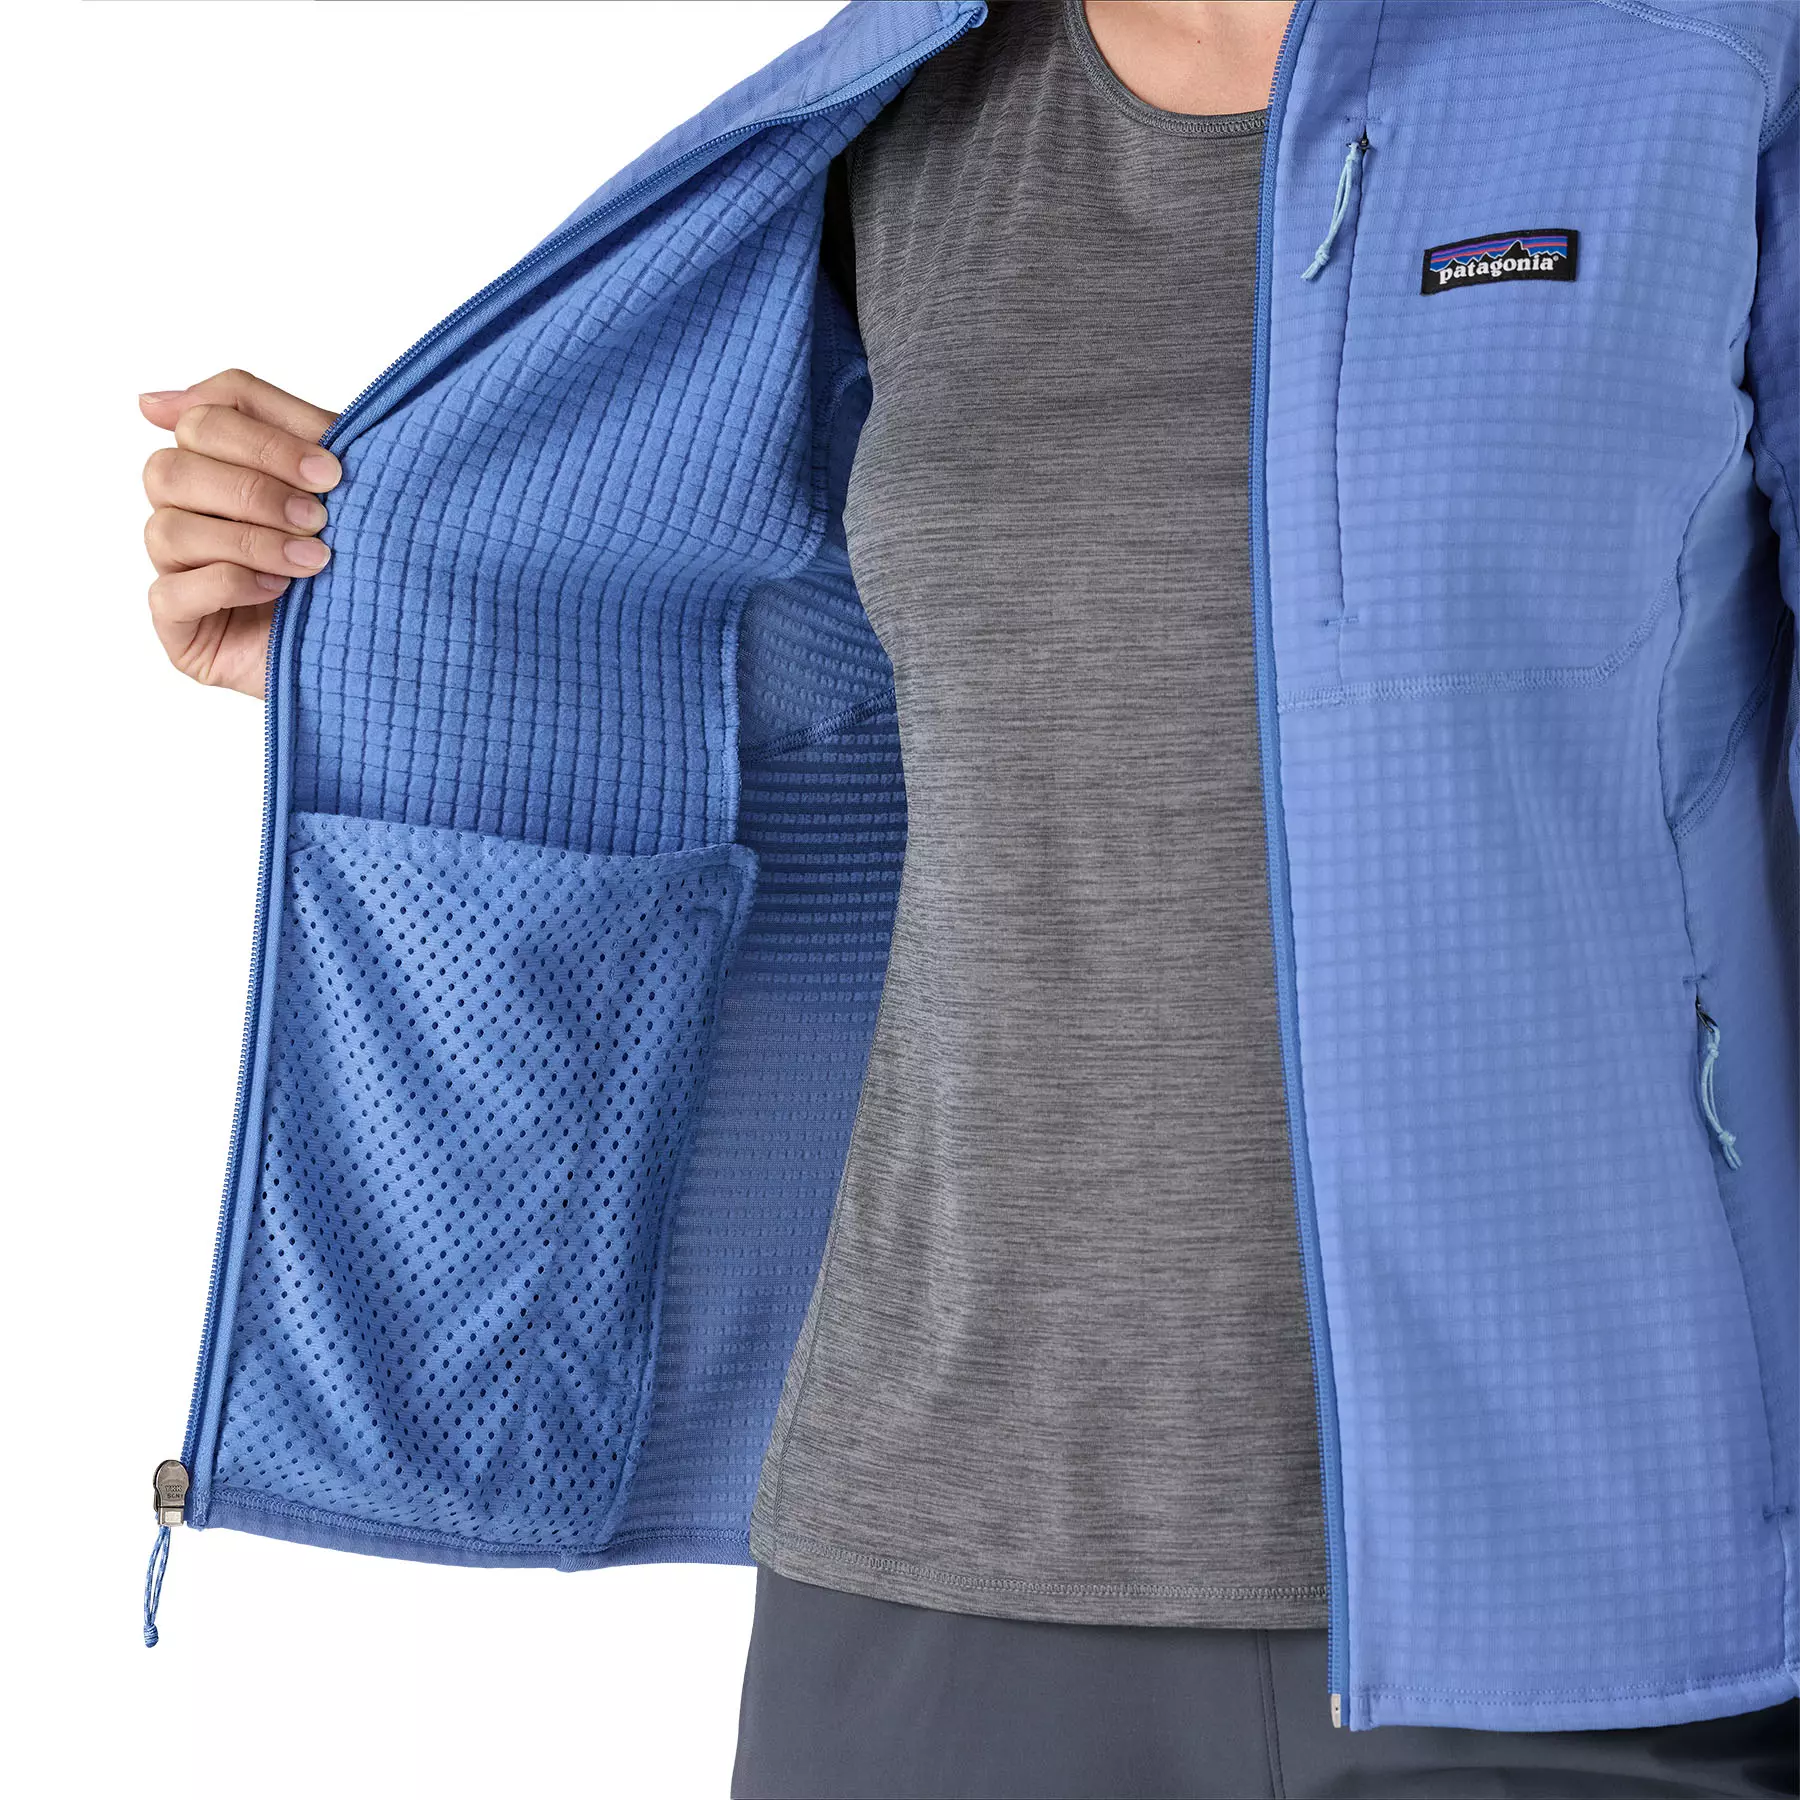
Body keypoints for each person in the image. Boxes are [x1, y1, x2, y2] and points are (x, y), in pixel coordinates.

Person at [139, 2, 1799, 1796]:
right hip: (932, 1554)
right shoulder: (904, 116)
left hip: (1587, 1556)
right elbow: (805, 735)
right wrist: (377, 626)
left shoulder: (1703, 59)